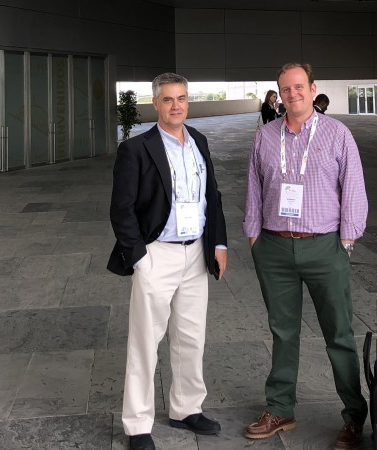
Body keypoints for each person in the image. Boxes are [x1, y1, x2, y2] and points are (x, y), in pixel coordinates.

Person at [243, 62, 369, 450]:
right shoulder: (265, 137)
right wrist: (253, 237)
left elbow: (353, 188)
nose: (292, 94)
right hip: (275, 247)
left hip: (324, 246)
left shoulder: (337, 134)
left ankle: (353, 417)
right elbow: (253, 186)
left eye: (299, 87)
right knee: (282, 331)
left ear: (313, 89)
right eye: (285, 89)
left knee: (339, 334)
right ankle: (280, 409)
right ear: (279, 95)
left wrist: (347, 241)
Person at [108, 72, 228, 450]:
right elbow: (121, 209)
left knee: (191, 338)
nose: (176, 105)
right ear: (155, 104)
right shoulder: (136, 149)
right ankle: (138, 425)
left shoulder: (200, 142)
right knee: (145, 342)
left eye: (181, 98)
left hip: (196, 253)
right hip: (156, 253)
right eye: (168, 99)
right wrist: (140, 258)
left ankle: (186, 408)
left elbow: (214, 196)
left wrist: (219, 244)